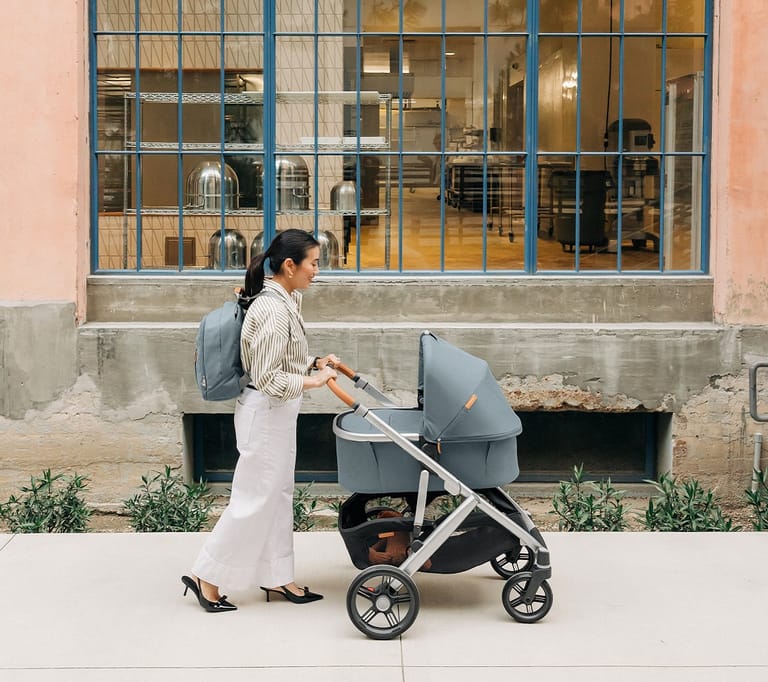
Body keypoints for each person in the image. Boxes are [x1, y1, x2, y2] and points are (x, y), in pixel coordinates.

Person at [182, 229, 339, 612]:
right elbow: (268, 378)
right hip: (265, 413)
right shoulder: (271, 309)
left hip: (278, 415)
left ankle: (277, 576)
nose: (317, 271)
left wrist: (312, 362)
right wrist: (313, 380)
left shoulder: (286, 299)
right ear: (290, 266)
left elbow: (277, 361)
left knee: (278, 495)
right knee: (253, 500)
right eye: (313, 264)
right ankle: (208, 576)